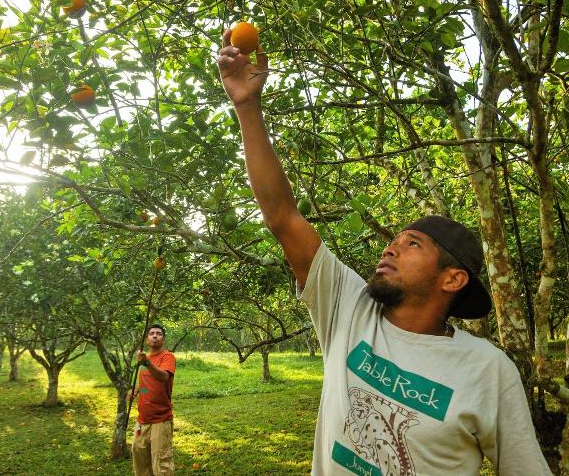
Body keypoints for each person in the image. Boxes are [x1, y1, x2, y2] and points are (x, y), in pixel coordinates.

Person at [217, 31, 551, 475]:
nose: (391, 246)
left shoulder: (487, 371)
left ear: (453, 279)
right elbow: (281, 215)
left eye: (413, 244)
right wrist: (246, 105)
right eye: (395, 238)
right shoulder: (350, 308)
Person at [130, 323, 176, 476]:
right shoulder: (143, 360)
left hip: (161, 419)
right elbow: (146, 386)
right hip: (142, 419)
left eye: (159, 334)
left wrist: (147, 363)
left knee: (161, 463)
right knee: (139, 459)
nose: (155, 336)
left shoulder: (167, 357)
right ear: (146, 339)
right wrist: (136, 391)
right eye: (151, 334)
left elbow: (163, 376)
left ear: (163, 339)